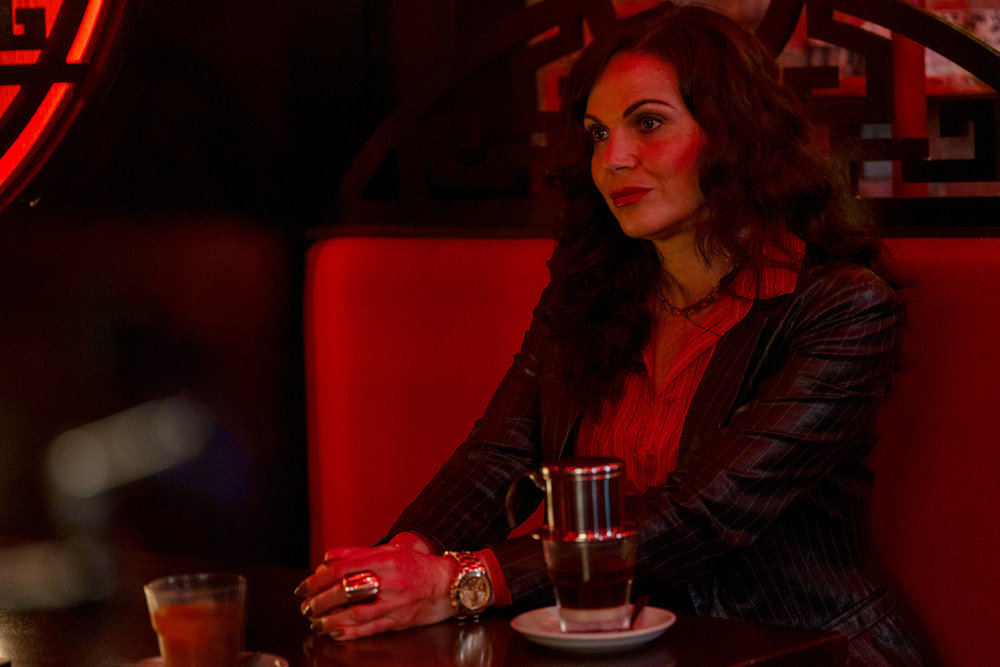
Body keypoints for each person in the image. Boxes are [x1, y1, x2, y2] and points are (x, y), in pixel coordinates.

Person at [295, 3, 930, 664]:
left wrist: (462, 582)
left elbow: (705, 513)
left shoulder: (844, 307)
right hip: (621, 647)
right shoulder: (590, 294)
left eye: (647, 123)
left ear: (735, 131)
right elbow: (498, 454)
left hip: (802, 649)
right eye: (598, 134)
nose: (613, 159)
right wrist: (405, 558)